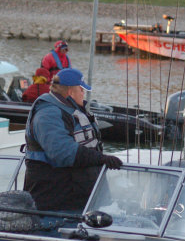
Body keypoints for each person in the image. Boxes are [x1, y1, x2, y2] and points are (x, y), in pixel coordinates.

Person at [23, 67, 122, 211]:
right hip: (55, 203)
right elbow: (62, 152)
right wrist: (101, 158)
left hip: (80, 198)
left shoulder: (70, 109)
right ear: (70, 91)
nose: (83, 93)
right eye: (81, 89)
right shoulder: (47, 114)